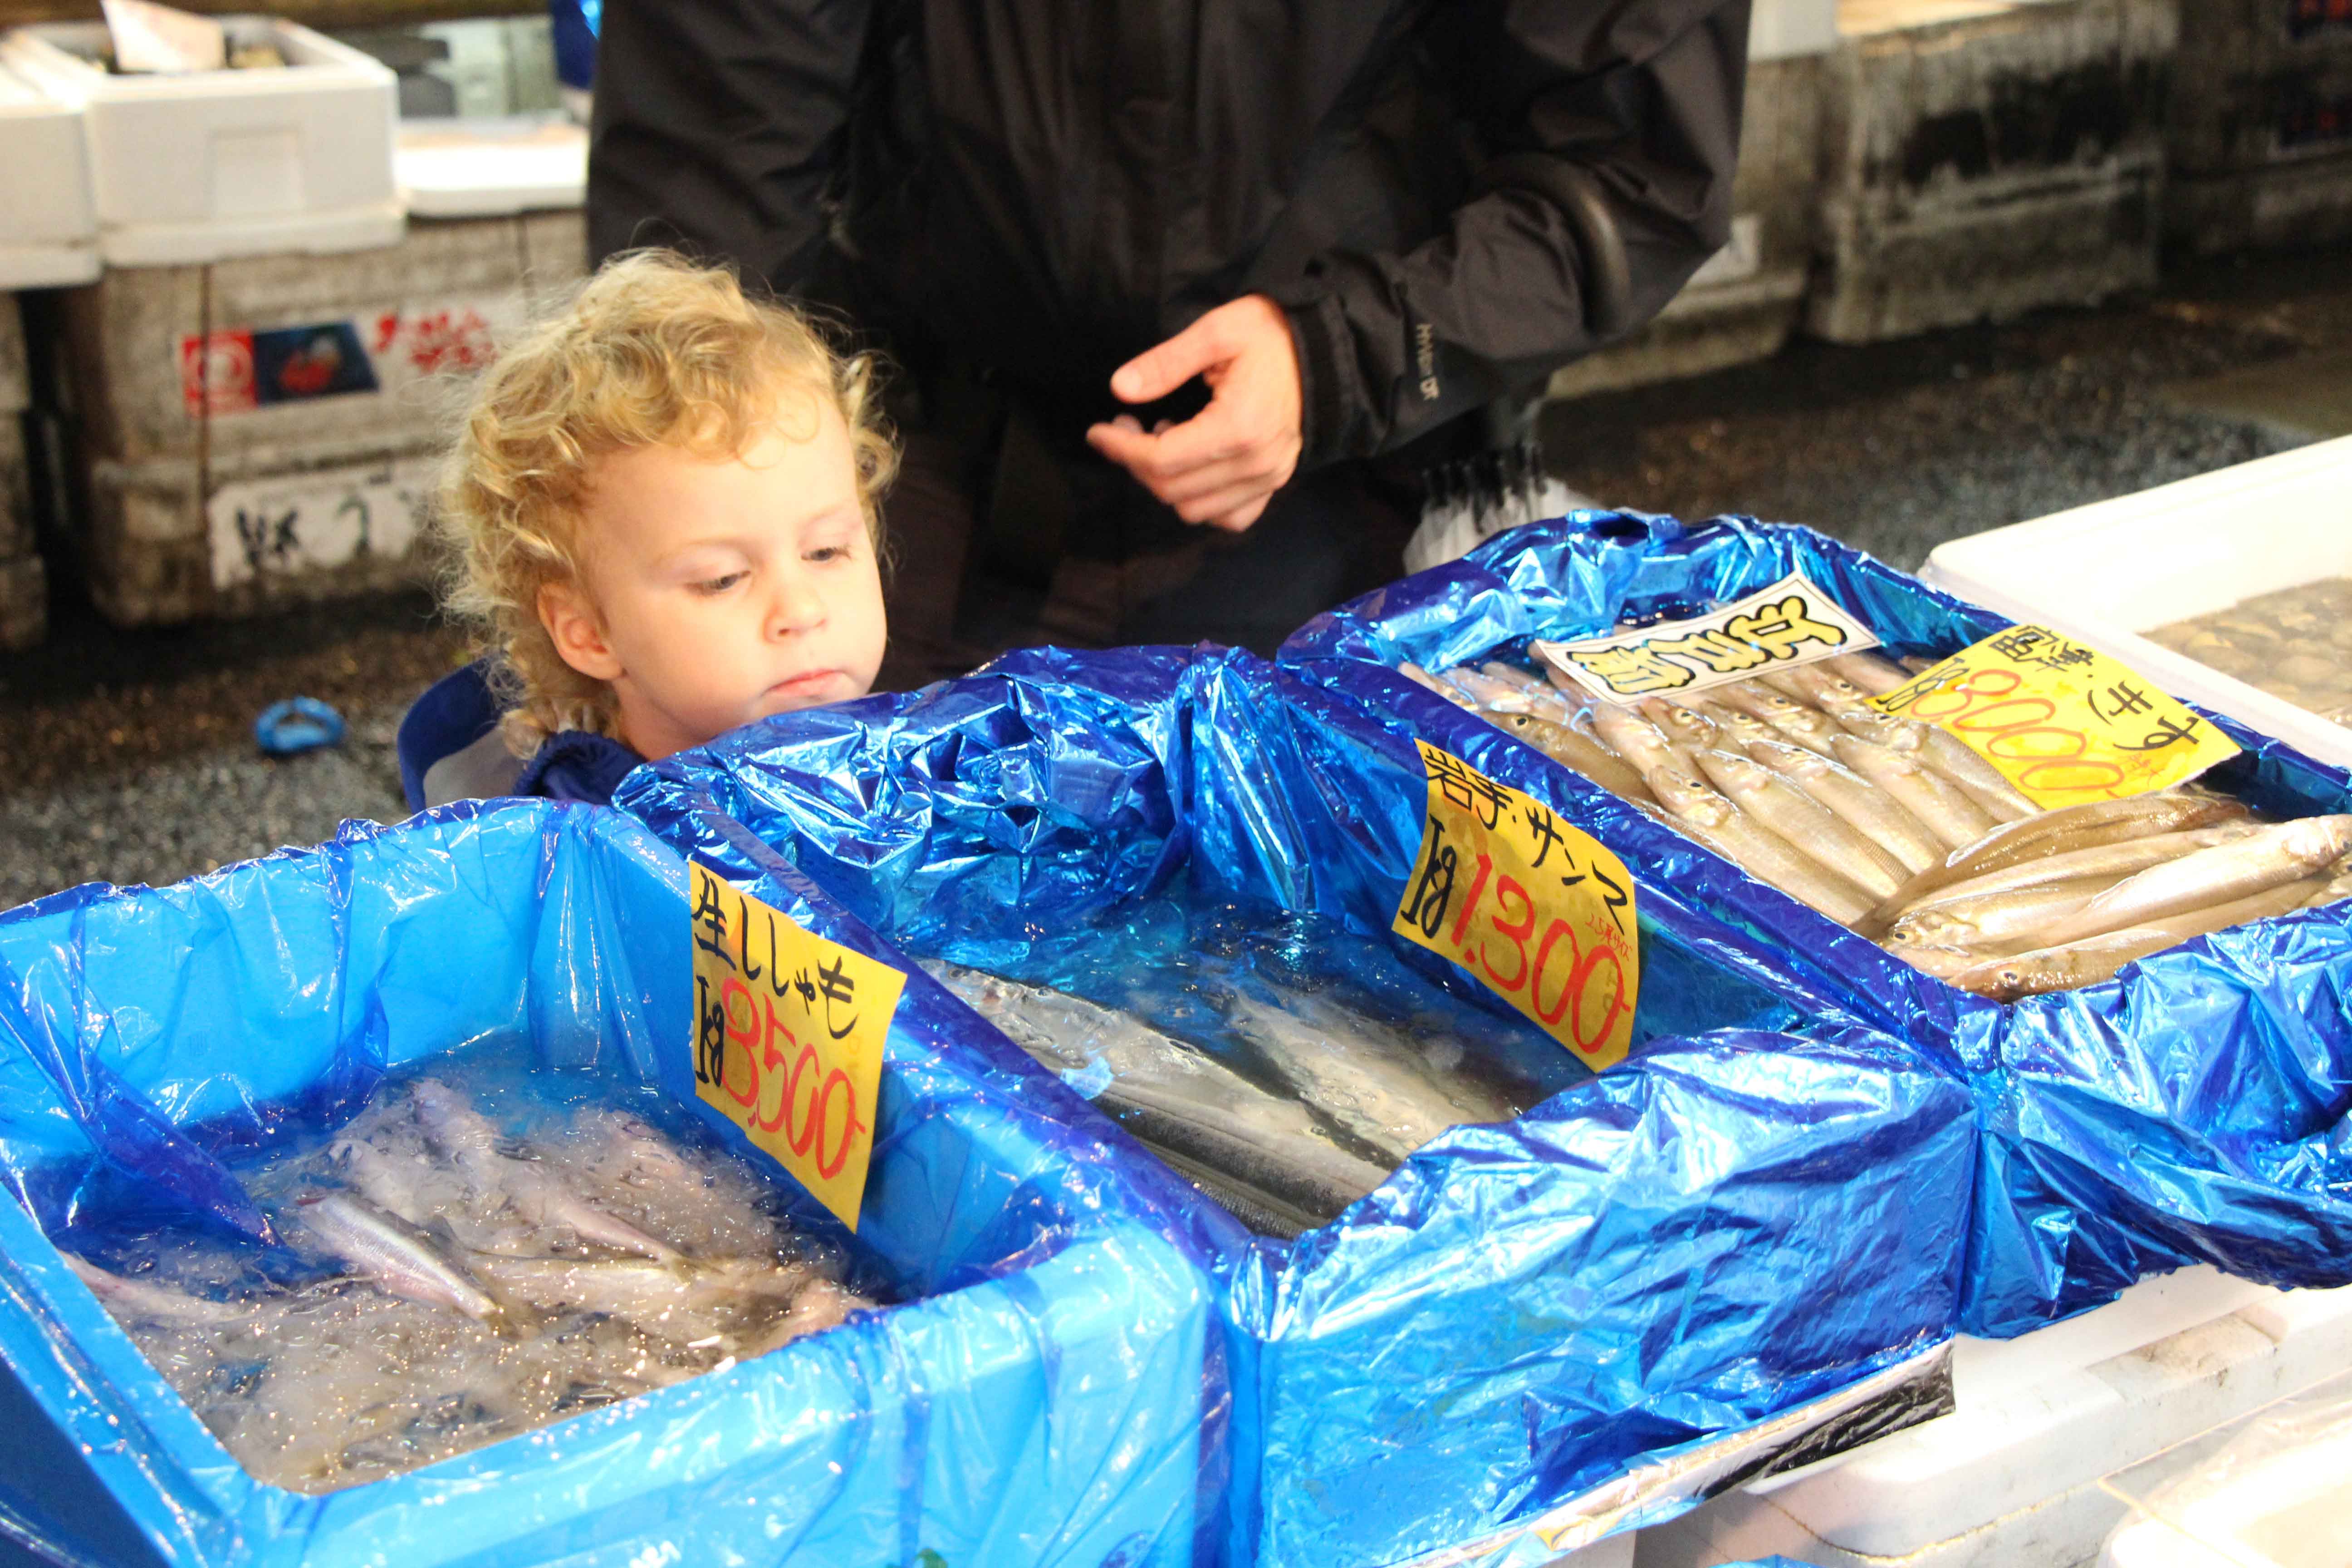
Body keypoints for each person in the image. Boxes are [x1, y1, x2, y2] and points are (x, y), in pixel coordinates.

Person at [587, 0, 1751, 688]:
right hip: (901, 446)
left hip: (1341, 473)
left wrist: (1340, 356)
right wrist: (733, 517)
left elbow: (1633, 168)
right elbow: (712, 176)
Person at [399, 251, 899, 810]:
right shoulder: (571, 866)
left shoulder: (930, 773)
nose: (803, 611)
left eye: (826, 551)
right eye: (722, 579)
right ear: (588, 632)